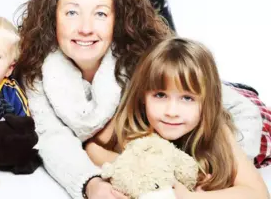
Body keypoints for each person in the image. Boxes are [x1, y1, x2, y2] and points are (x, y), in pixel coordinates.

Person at [13, 0, 263, 199]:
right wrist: (90, 183)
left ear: (117, 19)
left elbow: (229, 106)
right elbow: (56, 140)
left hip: (238, 105)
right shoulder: (39, 71)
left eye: (100, 14)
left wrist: (221, 169)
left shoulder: (146, 59)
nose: (85, 27)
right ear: (52, 17)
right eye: (71, 13)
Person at [87, 37, 269, 198]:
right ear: (143, 96)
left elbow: (258, 194)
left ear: (206, 104)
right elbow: (91, 147)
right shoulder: (131, 119)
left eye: (187, 98)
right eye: (160, 95)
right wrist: (141, 166)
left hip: (253, 111)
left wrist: (191, 197)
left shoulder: (219, 130)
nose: (171, 111)